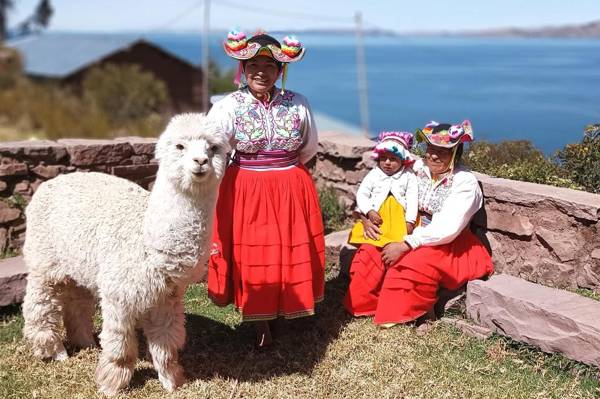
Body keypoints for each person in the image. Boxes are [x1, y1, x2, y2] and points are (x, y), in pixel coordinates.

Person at [207, 30, 325, 348]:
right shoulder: (228, 106)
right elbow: (213, 146)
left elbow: (309, 146)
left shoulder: (299, 104)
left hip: (290, 184)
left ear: (280, 71)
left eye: (270, 66)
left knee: (287, 248)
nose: (261, 72)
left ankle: (288, 308)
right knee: (256, 251)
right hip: (246, 186)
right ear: (242, 69)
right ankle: (260, 320)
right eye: (254, 65)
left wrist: (282, 169)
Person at [343, 120, 493, 328]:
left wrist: (407, 244)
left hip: (443, 241)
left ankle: (412, 313)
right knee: (369, 253)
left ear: (455, 153)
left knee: (410, 265)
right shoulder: (416, 167)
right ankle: (367, 305)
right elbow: (380, 184)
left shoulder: (464, 183)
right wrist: (365, 215)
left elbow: (448, 227)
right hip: (403, 228)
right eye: (430, 149)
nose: (432, 155)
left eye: (442, 151)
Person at [348, 131, 418, 248]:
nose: (387, 163)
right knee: (374, 237)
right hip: (377, 216)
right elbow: (362, 194)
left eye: (393, 159)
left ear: (403, 160)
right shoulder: (374, 174)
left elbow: (412, 199)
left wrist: (410, 221)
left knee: (395, 237)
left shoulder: (408, 175)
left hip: (398, 218)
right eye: (384, 158)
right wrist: (369, 210)